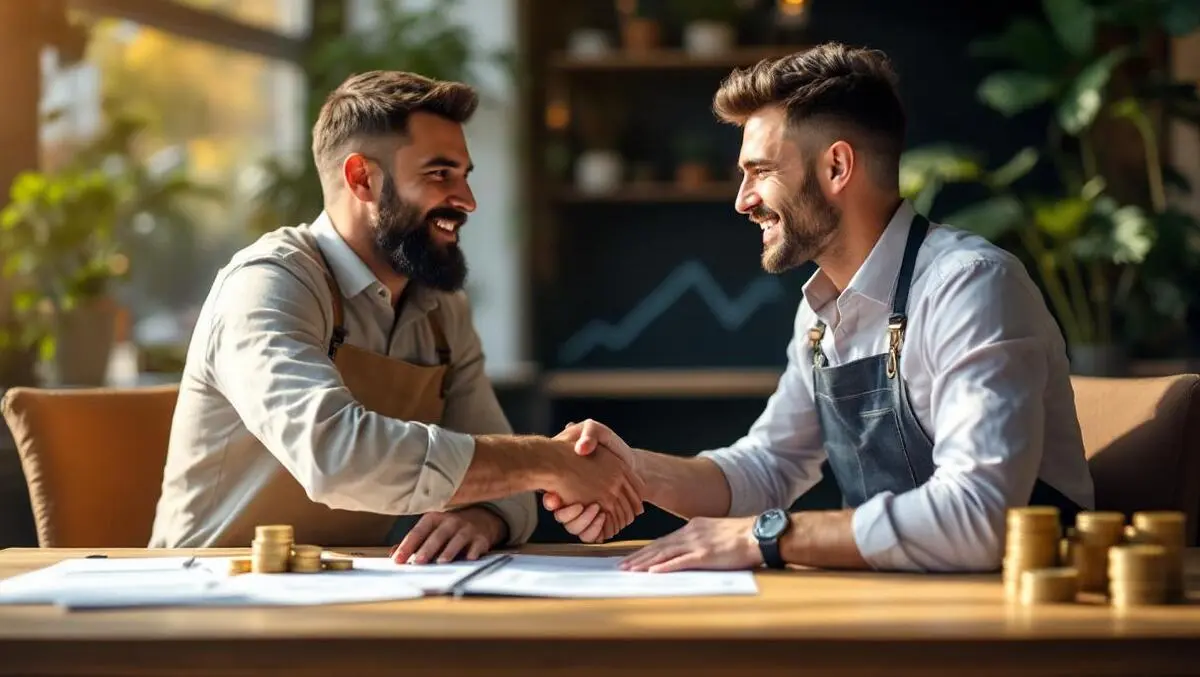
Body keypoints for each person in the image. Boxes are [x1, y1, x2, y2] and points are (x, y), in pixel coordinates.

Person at [543, 43, 1095, 573]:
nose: (742, 199)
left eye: (760, 170)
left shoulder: (969, 286)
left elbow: (980, 516)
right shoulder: (818, 314)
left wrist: (767, 536)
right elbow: (768, 467)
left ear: (836, 168)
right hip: (906, 607)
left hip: (1024, 619)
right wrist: (632, 470)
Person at [151, 71, 643, 560]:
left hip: (340, 595)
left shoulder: (441, 310)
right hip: (202, 594)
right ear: (362, 178)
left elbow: (508, 478)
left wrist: (485, 515)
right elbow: (337, 458)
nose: (467, 201)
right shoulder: (268, 284)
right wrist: (546, 461)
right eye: (438, 174)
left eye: (464, 176)